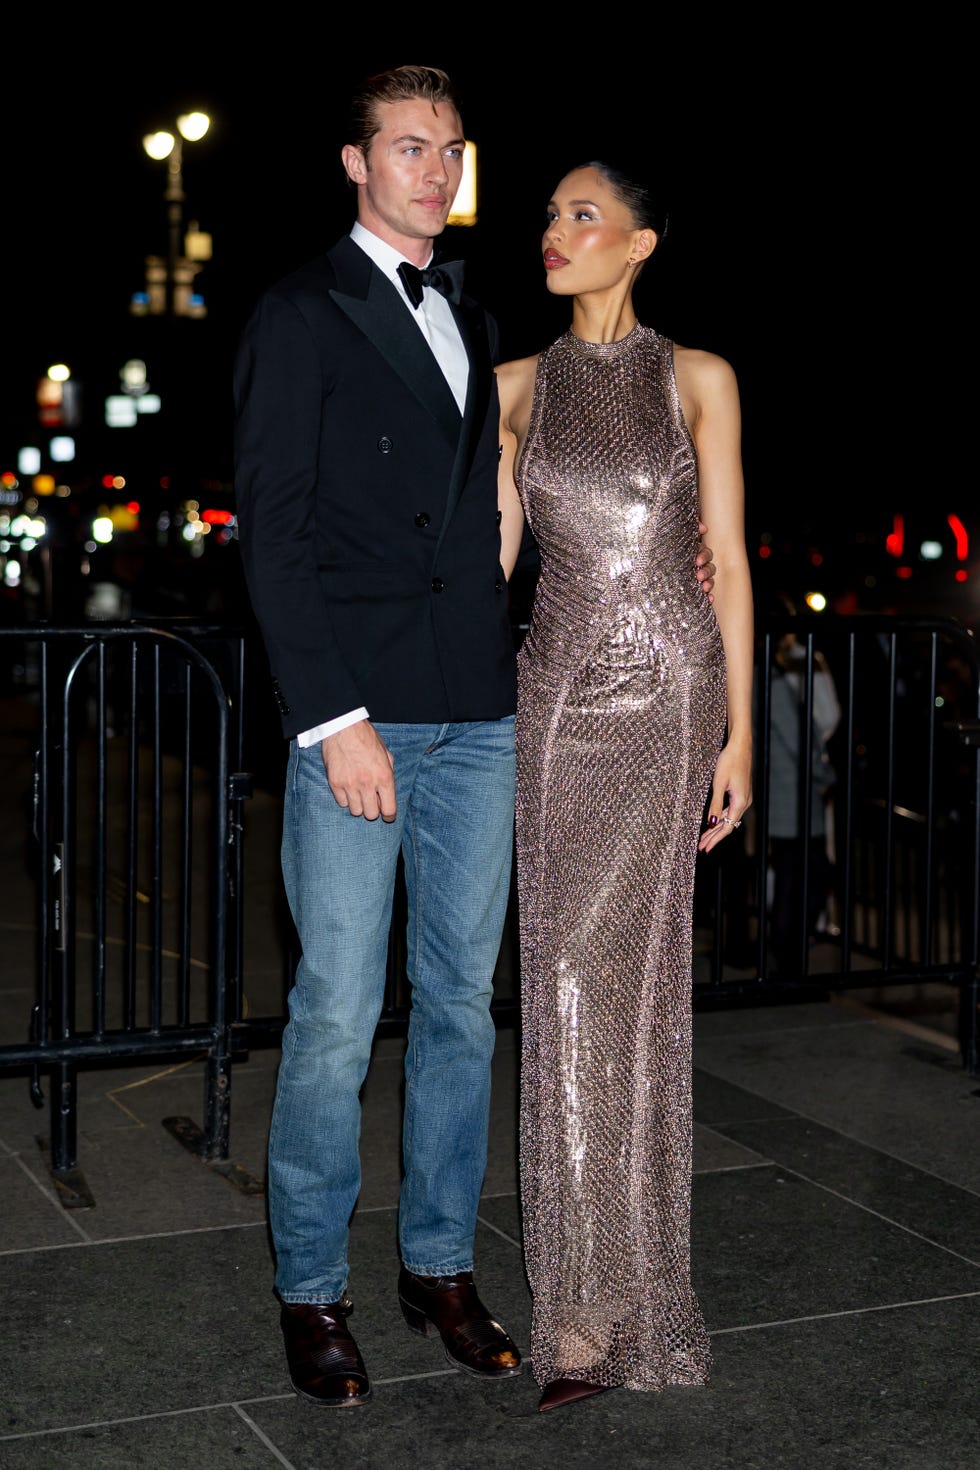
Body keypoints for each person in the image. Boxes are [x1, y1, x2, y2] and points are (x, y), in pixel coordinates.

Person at [234, 69, 716, 1410]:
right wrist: (335, 722)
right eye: (406, 146)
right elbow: (272, 538)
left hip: (484, 715)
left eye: (449, 149)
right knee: (336, 1013)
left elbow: (503, 513)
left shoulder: (471, 310)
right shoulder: (300, 311)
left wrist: (662, 563)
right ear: (355, 161)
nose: (433, 168)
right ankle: (311, 1287)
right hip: (364, 721)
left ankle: (438, 1265)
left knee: (459, 1008)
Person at [496, 161, 754, 1412]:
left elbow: (732, 563)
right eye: (548, 214)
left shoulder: (697, 376)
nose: (554, 233)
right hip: (549, 700)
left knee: (632, 988)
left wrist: (740, 738)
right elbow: (480, 556)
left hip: (663, 692)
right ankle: (579, 1303)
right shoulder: (510, 392)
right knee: (554, 982)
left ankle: (621, 1307)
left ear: (640, 242)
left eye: (580, 215)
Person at [765, 620, 841, 975]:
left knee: (792, 880)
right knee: (805, 878)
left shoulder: (763, 676)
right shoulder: (775, 683)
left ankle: (787, 961)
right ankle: (788, 964)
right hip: (793, 799)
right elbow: (801, 742)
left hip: (785, 797)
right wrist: (827, 775)